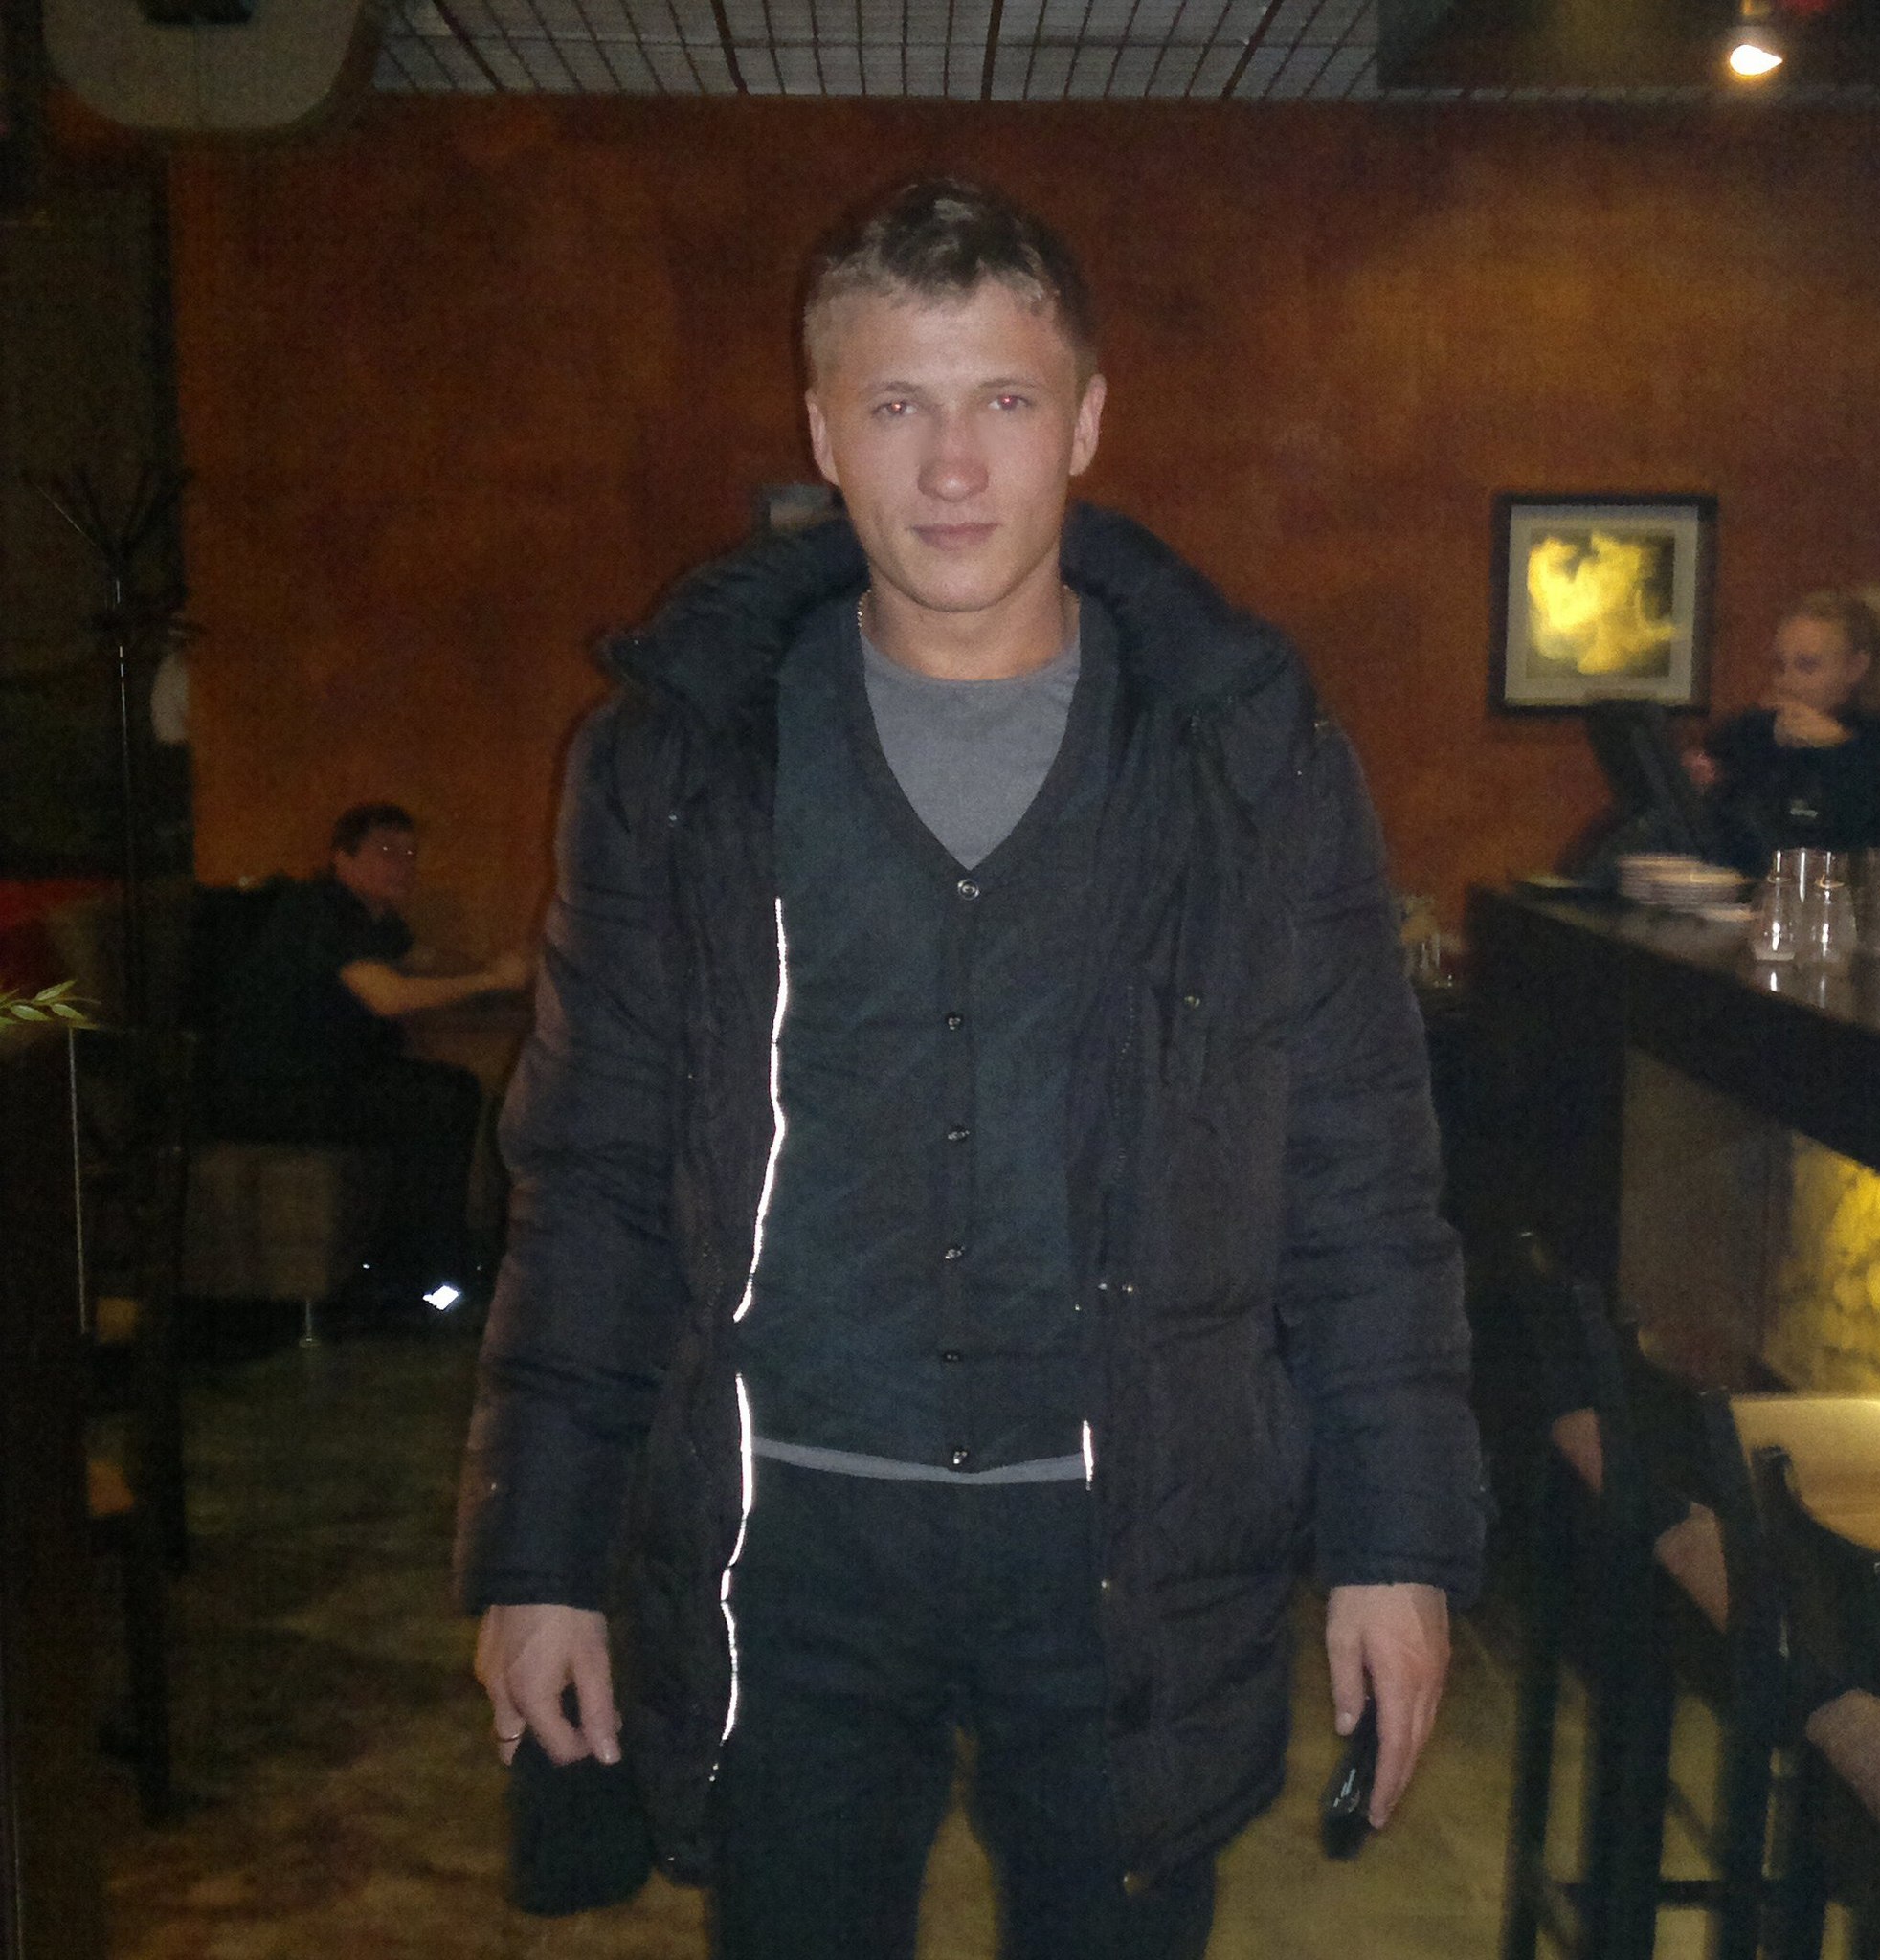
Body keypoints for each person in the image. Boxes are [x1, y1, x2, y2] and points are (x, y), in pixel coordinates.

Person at [458, 180, 1484, 1959]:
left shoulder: (1243, 758)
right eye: (896, 404)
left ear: (1083, 421)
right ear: (820, 433)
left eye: (1003, 400)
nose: (950, 466)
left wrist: (1397, 1539)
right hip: (785, 1543)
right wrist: (542, 1554)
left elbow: (1360, 1179)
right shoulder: (680, 761)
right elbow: (596, 1177)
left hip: (1128, 1546)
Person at [213, 802, 532, 1302]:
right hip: (273, 1090)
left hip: (331, 1077)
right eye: (386, 851)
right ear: (342, 858)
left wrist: (496, 973)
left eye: (410, 853)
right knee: (431, 1102)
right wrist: (490, 980)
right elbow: (387, 996)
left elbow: (423, 962)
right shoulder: (320, 911)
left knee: (454, 1088)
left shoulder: (376, 918)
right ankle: (415, 1278)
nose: (403, 864)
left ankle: (439, 1263)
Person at [1686, 590, 1880, 873]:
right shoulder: (1750, 734)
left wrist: (1839, 749)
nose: (1786, 681)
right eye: (1781, 666)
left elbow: (1870, 840)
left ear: (1855, 668)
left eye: (1807, 666)